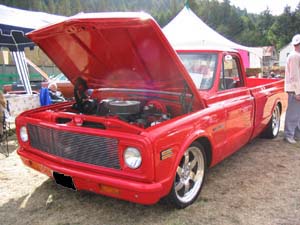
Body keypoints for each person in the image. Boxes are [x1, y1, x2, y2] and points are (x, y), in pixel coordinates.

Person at [284, 34, 300, 144]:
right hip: (295, 89)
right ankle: (289, 134)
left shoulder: (295, 55)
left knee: (297, 113)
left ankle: (295, 133)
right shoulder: (295, 56)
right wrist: (298, 92)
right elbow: (294, 76)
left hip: (295, 88)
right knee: (293, 113)